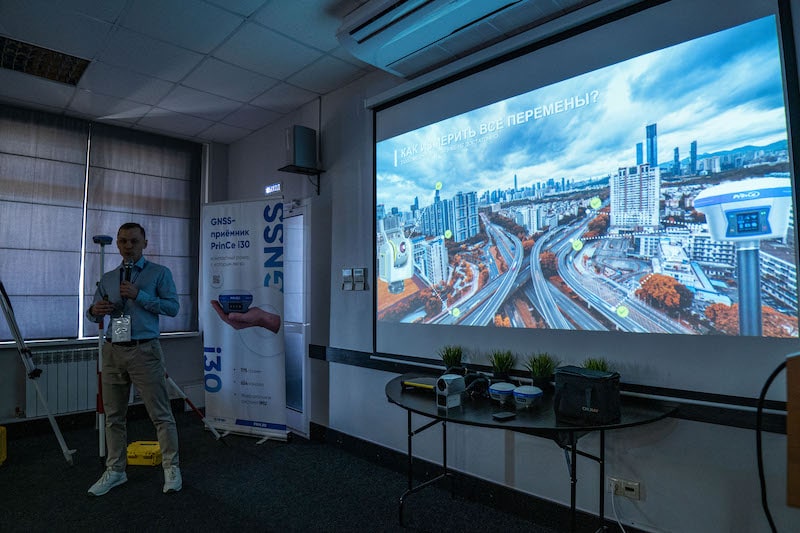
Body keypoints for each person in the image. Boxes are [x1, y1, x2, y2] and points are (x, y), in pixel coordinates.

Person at [86, 222, 182, 496]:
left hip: (144, 350)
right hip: (113, 350)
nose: (128, 246)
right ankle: (116, 470)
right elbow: (91, 314)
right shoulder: (107, 278)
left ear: (144, 243)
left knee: (160, 414)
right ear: (117, 244)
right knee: (113, 416)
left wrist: (139, 295)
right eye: (123, 241)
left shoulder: (159, 273)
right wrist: (95, 310)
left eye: (134, 241)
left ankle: (171, 467)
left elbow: (173, 308)